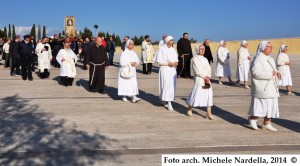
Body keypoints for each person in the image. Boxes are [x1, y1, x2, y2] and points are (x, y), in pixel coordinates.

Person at [248, 41, 280, 131]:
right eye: (269, 46)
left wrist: (277, 73)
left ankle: (267, 123)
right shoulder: (258, 58)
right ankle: (253, 119)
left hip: (271, 86)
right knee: (261, 104)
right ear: (263, 48)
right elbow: (255, 73)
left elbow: (274, 70)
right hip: (263, 87)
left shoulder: (270, 58)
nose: (271, 48)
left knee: (270, 105)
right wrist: (270, 74)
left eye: (271, 46)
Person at [186, 44, 214, 119]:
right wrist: (205, 77)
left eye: (203, 49)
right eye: (201, 49)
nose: (202, 50)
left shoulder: (205, 59)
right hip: (200, 80)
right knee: (196, 95)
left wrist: (208, 76)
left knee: (209, 96)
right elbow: (197, 71)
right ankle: (189, 108)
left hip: (207, 80)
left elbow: (209, 68)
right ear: (197, 50)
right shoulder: (195, 59)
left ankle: (209, 113)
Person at [156, 36, 178, 111]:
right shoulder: (161, 49)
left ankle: (167, 100)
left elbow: (176, 58)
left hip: (172, 70)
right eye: (171, 41)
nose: (172, 42)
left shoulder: (173, 49)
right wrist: (168, 64)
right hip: (165, 69)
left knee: (171, 86)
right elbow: (159, 61)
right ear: (167, 41)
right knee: (165, 85)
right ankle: (168, 102)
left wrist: (176, 63)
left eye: (172, 41)